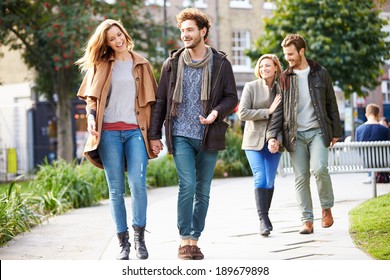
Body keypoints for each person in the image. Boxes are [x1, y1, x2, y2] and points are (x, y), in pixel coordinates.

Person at [148, 8, 238, 260]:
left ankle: (194, 240)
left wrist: (216, 113)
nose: (184, 35)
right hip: (180, 134)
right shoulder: (172, 64)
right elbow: (161, 100)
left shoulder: (221, 63)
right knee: (187, 185)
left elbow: (231, 97)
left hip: (209, 135)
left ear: (203, 32)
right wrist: (155, 135)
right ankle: (183, 239)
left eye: (189, 30)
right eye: (182, 30)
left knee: (203, 190)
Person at [75, 19, 157, 260]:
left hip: (135, 132)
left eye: (119, 35)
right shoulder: (101, 64)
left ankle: (140, 239)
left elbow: (153, 103)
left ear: (125, 33)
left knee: (138, 185)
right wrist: (91, 118)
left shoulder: (141, 63)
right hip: (109, 132)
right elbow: (92, 99)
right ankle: (123, 243)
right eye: (112, 39)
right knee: (116, 190)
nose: (118, 40)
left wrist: (154, 136)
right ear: (107, 43)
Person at [267, 34, 343, 234]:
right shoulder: (284, 78)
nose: (288, 58)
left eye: (291, 54)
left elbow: (331, 104)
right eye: (285, 54)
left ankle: (326, 208)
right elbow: (279, 111)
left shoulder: (321, 73)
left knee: (319, 169)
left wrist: (336, 131)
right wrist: (272, 136)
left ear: (302, 51)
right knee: (301, 176)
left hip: (318, 130)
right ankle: (307, 220)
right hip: (295, 134)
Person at [237, 54, 282, 237]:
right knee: (260, 178)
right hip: (253, 140)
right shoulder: (251, 87)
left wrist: (277, 139)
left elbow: (284, 118)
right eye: (261, 66)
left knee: (270, 180)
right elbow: (243, 113)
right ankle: (263, 220)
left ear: (276, 68)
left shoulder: (282, 89)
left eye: (268, 66)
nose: (264, 69)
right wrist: (268, 111)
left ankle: (266, 216)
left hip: (274, 142)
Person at [355, 104, 390, 183]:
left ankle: (371, 176)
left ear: (366, 115)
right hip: (383, 163)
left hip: (367, 163)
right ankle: (380, 176)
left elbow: (358, 149)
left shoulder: (359, 130)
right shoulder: (385, 129)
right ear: (378, 115)